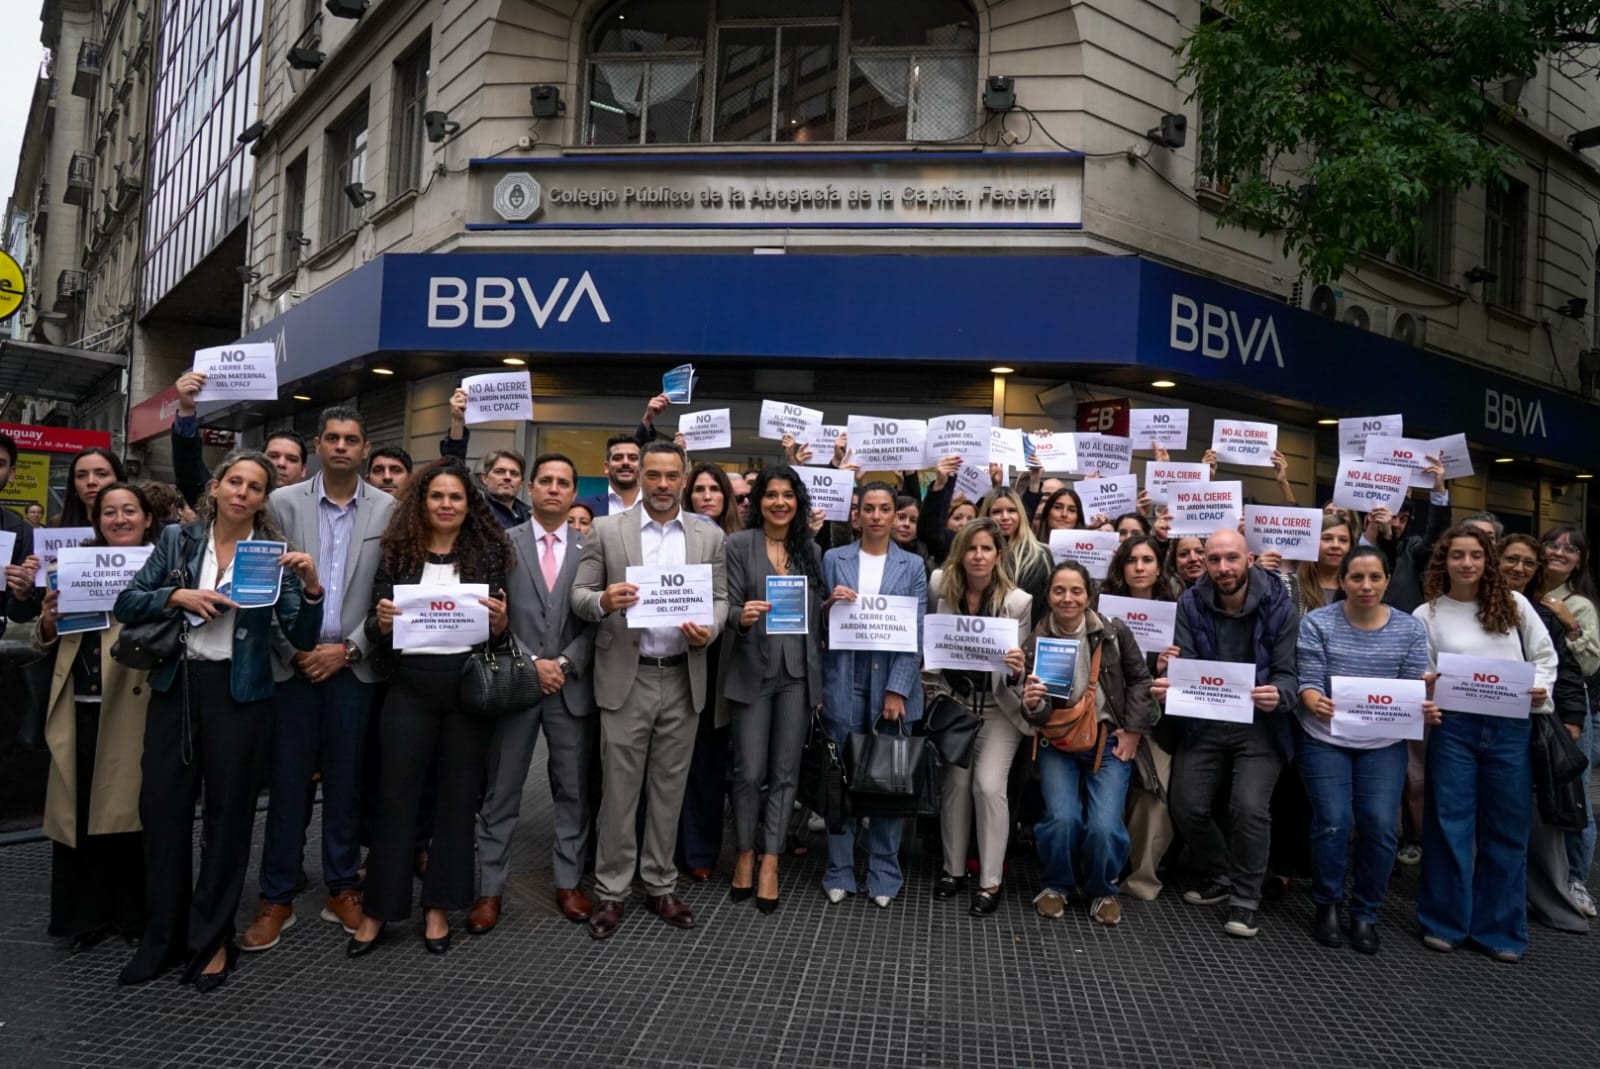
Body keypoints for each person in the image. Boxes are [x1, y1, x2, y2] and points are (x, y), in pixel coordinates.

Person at [116, 450, 323, 992]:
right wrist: (175, 594)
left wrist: (311, 587)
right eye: (235, 482)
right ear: (216, 486)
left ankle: (210, 940)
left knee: (228, 824)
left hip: (242, 694)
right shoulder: (178, 541)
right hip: (177, 687)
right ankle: (161, 938)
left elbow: (300, 638)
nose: (243, 493)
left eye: (255, 487)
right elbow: (128, 601)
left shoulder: (273, 554)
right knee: (163, 816)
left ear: (263, 499)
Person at [243, 407, 396, 953]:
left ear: (365, 447)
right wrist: (297, 650)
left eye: (351, 439)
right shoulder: (281, 504)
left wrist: (348, 649)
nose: (340, 447)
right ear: (316, 445)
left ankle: (341, 886)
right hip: (292, 666)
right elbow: (264, 589)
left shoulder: (390, 510)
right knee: (286, 785)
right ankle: (277, 895)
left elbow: (391, 591)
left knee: (347, 783)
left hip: (354, 665)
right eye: (331, 438)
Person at [349, 459, 510, 958]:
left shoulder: (487, 554)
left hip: (467, 692)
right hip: (410, 689)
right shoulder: (397, 552)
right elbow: (376, 629)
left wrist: (502, 625)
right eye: (436, 496)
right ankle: (379, 909)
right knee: (394, 800)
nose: (445, 505)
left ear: (469, 505)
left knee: (457, 802)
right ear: (422, 502)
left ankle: (439, 907)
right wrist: (379, 622)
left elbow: (501, 636)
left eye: (455, 497)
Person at [570, 440, 727, 939]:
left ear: (684, 479)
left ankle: (660, 883)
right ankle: (612, 891)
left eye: (670, 476)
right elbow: (578, 595)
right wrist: (604, 601)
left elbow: (721, 598)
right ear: (638, 475)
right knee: (619, 791)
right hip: (627, 675)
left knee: (669, 787)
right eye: (652, 475)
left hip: (683, 674)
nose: (661, 485)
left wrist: (713, 628)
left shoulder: (708, 535)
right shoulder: (605, 530)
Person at [1414, 525, 1557, 962]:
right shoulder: (1427, 615)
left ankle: (1500, 931)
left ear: (1487, 560)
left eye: (1476, 555)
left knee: (1505, 829)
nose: (1467, 563)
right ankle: (1445, 922)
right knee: (1448, 825)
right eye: (1458, 555)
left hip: (1511, 728)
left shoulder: (1515, 605)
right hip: (1454, 729)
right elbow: (1423, 672)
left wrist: (1541, 690)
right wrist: (1429, 693)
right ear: (1444, 561)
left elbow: (1546, 660)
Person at [469, 453, 597, 934]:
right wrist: (531, 664)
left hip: (570, 686)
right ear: (529, 486)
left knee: (572, 791)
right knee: (502, 789)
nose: (554, 489)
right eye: (545, 481)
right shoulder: (502, 543)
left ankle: (567, 881)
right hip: (515, 684)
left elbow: (597, 619)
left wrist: (562, 663)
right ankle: (489, 888)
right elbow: (491, 610)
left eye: (564, 482)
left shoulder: (592, 548)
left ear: (571, 491)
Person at [1152, 528, 1298, 940]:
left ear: (1249, 560)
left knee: (1249, 808)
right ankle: (1223, 872)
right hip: (1205, 718)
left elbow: (1289, 674)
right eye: (1213, 559)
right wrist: (1170, 681)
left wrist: (1281, 694)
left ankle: (1246, 899)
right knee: (1185, 804)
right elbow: (1186, 663)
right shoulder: (1189, 603)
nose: (1222, 567)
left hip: (1260, 725)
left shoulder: (1281, 608)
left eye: (1231, 558)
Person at [35, 483, 158, 948]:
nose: (120, 519)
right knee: (77, 812)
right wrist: (49, 620)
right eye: (110, 512)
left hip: (133, 704)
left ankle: (133, 915)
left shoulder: (163, 567)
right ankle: (82, 917)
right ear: (97, 520)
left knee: (128, 814)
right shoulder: (70, 566)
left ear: (148, 518)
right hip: (78, 704)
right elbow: (47, 637)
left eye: (130, 510)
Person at [1295, 546, 1434, 954]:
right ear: (1341, 581)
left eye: (1375, 577)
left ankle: (1366, 912)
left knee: (1379, 825)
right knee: (1334, 822)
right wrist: (1310, 697)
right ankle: (1328, 905)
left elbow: (1411, 684)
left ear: (1388, 580)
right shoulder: (1318, 622)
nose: (1366, 585)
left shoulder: (1409, 630)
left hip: (1383, 743)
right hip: (1325, 737)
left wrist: (1420, 703)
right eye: (1356, 577)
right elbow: (1309, 676)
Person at [1024, 560, 1154, 925]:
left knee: (1103, 826)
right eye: (1059, 590)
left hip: (1109, 742)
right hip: (1058, 742)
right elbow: (1037, 711)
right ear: (1048, 596)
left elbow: (1141, 682)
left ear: (1090, 595)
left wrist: (1132, 730)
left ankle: (1102, 889)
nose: (1068, 598)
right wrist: (1032, 701)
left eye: (1076, 590)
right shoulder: (1038, 640)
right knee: (1062, 819)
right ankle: (1056, 885)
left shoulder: (1113, 632)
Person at [819, 482, 927, 906]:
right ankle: (839, 869)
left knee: (888, 783)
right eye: (870, 508)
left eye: (886, 509)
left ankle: (884, 872)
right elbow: (819, 625)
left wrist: (899, 688)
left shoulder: (913, 565)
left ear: (895, 516)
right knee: (839, 782)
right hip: (843, 678)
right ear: (857, 514)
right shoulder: (833, 558)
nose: (878, 516)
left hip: (890, 685)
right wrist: (830, 606)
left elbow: (916, 630)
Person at [723, 465, 823, 913]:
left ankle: (770, 860)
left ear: (797, 503)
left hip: (797, 677)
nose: (779, 502)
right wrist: (739, 617)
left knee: (786, 776)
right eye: (771, 495)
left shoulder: (810, 550)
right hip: (752, 671)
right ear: (758, 501)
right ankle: (744, 850)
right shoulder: (738, 546)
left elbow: (814, 618)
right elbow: (723, 604)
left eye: (788, 495)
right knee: (748, 772)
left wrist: (829, 603)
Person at [924, 517, 1032, 916]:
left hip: (999, 709)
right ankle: (952, 871)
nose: (979, 555)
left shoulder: (1018, 602)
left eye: (987, 548)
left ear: (998, 555)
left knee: (987, 788)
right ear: (959, 554)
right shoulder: (941, 588)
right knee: (954, 788)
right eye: (971, 548)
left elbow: (1019, 672)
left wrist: (1018, 667)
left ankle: (990, 882)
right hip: (955, 706)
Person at [1497, 534, 1591, 934]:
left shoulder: (1546, 614)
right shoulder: (1465, 604)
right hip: (1481, 723)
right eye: (1510, 560)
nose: (1518, 569)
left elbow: (1567, 671)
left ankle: (1552, 896)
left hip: (1535, 724)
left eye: (1528, 564)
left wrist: (1571, 718)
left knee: (1542, 817)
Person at [1098, 534, 1179, 899]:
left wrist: (1165, 667)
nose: (1140, 567)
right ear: (1122, 566)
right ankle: (1104, 870)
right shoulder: (1103, 610)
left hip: (1157, 720)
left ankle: (1143, 879)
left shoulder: (1177, 610)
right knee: (1109, 797)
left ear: (1160, 566)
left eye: (1148, 560)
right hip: (1111, 715)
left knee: (1153, 798)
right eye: (1133, 560)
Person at [676, 461, 743, 882]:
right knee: (671, 763)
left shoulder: (740, 543)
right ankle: (667, 848)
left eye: (714, 490)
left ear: (726, 498)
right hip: (677, 658)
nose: (706, 496)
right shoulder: (673, 541)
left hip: (722, 663)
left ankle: (700, 851)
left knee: (708, 763)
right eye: (698, 489)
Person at [1536, 524, 1600, 917]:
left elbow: (1591, 664)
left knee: (1576, 797)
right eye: (1552, 545)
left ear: (1580, 560)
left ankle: (1576, 878)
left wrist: (1569, 623)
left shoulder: (1579, 604)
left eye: (1570, 549)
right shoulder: (1527, 590)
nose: (1559, 552)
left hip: (1572, 710)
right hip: (1536, 705)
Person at [170, 373, 309, 507]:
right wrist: (186, 410)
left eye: (292, 459)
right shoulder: (232, 504)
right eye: (273, 456)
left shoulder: (317, 512)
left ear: (304, 470)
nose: (281, 464)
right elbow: (191, 475)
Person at [978, 487, 1053, 623]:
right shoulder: (977, 555)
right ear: (987, 516)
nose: (1005, 517)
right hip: (986, 634)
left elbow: (1046, 607)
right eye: (997, 512)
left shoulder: (1041, 554)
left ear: (1021, 514)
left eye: (1012, 510)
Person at [0, 431, 41, 623]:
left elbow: (19, 615)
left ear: (11, 473)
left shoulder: (22, 533)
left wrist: (22, 594)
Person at [1278, 513, 1353, 614]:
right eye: (1327, 538)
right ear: (1312, 542)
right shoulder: (1287, 585)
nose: (1336, 545)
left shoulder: (1358, 586)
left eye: (1343, 540)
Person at [575, 434, 646, 519]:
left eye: (633, 458)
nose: (625, 462)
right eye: (618, 458)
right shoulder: (583, 506)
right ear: (606, 467)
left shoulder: (657, 507)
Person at [58, 448, 126, 528]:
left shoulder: (136, 526)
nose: (91, 482)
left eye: (101, 474)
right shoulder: (56, 527)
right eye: (81, 475)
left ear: (118, 479)